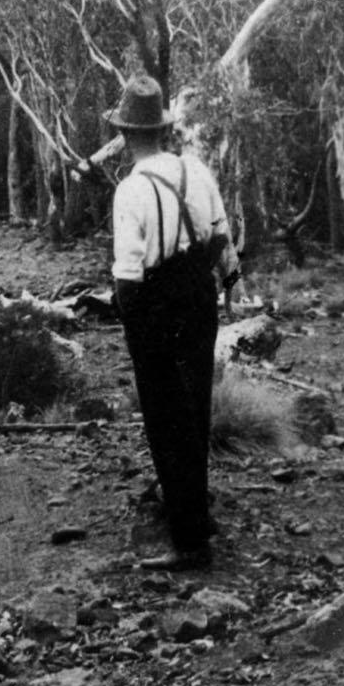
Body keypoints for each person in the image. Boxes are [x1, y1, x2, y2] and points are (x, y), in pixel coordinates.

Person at [103, 73, 240, 571]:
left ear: (125, 134)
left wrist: (132, 324)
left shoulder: (130, 190)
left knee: (165, 416)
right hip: (198, 295)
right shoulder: (196, 170)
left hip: (156, 300)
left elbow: (127, 275)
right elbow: (223, 234)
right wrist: (227, 287)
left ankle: (189, 544)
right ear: (161, 129)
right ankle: (196, 515)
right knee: (196, 406)